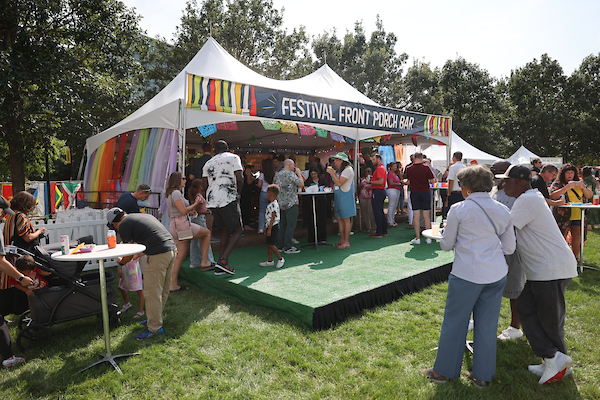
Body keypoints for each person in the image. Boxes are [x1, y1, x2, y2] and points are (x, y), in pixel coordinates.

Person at [421, 165, 515, 388]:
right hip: (496, 273)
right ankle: (482, 375)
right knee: (487, 325)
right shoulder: (503, 210)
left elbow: (446, 245)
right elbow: (509, 248)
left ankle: (442, 372)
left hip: (467, 274)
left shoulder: (459, 209)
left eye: (462, 184)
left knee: (455, 322)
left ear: (468, 187)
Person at [499, 165, 578, 384]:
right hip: (543, 270)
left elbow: (506, 229)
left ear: (516, 182)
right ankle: (553, 361)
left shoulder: (526, 201)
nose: (502, 184)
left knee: (550, 320)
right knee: (526, 308)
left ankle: (554, 360)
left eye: (505, 180)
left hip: (551, 269)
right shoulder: (530, 198)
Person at [107, 207, 177, 340]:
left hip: (158, 255)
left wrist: (122, 262)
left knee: (152, 292)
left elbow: (128, 252)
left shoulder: (124, 225)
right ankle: (154, 319)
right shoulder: (140, 216)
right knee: (163, 290)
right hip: (171, 250)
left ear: (115, 223)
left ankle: (154, 327)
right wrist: (138, 254)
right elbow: (153, 238)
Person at [489, 160, 526, 341]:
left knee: (515, 287)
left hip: (514, 245)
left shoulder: (517, 194)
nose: (496, 177)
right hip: (495, 246)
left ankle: (515, 327)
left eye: (500, 173)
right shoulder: (496, 191)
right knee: (488, 284)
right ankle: (482, 318)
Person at [1, 191, 46, 316]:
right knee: (22, 279)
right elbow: (27, 237)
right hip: (20, 255)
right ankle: (23, 310)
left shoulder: (10, 215)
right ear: (27, 205)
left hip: (10, 253)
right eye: (32, 204)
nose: (33, 207)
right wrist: (39, 231)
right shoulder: (21, 216)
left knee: (11, 282)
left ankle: (8, 311)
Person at [0, 196, 33, 368]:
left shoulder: (8, 220)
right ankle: (8, 358)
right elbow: (1, 262)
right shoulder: (19, 217)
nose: (3, 216)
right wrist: (21, 278)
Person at [166, 171, 213, 290]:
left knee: (179, 256)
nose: (185, 180)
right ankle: (204, 262)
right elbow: (183, 211)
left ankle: (173, 284)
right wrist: (195, 204)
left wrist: (189, 211)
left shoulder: (170, 194)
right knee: (207, 233)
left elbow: (171, 212)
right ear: (177, 180)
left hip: (175, 225)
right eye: (183, 178)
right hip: (182, 226)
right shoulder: (176, 193)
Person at [203, 140, 243, 274]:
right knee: (238, 230)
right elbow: (240, 177)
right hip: (227, 198)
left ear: (215, 150)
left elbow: (204, 184)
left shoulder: (208, 163)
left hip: (212, 200)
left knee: (225, 229)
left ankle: (220, 264)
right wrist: (238, 193)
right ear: (228, 149)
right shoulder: (233, 157)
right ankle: (223, 261)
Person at [549, 164, 593, 261]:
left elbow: (589, 195)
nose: (570, 175)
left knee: (577, 237)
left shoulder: (580, 183)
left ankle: (575, 258)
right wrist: (566, 188)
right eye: (567, 173)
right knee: (561, 236)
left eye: (572, 173)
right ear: (563, 174)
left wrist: (583, 187)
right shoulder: (558, 184)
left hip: (578, 214)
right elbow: (552, 196)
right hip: (563, 215)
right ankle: (559, 258)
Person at [274, 159, 305, 253]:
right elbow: (301, 184)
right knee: (291, 225)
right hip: (291, 202)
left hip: (280, 202)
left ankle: (281, 245)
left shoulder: (277, 175)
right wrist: (299, 173)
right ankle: (288, 246)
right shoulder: (291, 174)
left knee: (282, 225)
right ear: (290, 165)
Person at [404, 152, 436, 244]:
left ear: (414, 158)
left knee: (416, 216)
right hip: (425, 192)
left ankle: (417, 238)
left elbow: (408, 180)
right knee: (426, 216)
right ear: (422, 158)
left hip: (415, 192)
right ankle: (428, 238)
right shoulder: (426, 168)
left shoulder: (409, 168)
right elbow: (432, 181)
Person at [327, 153, 356, 249]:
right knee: (339, 218)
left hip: (345, 197)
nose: (334, 161)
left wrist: (332, 174)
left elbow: (339, 183)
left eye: (336, 159)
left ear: (342, 161)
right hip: (339, 196)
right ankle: (342, 240)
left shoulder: (348, 170)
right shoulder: (342, 170)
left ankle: (346, 242)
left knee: (346, 219)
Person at [187, 179, 215, 270]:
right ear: (200, 186)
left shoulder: (194, 195)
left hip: (194, 219)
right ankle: (209, 260)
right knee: (205, 240)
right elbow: (198, 209)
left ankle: (194, 261)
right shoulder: (199, 196)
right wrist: (208, 212)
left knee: (194, 241)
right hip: (199, 219)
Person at [259, 184, 285, 269]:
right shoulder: (271, 204)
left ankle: (280, 258)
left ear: (270, 194)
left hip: (273, 226)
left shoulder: (273, 204)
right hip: (269, 226)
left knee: (271, 244)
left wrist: (269, 229)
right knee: (268, 243)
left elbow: (273, 217)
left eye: (267, 193)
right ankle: (270, 260)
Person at [303, 168, 328, 243]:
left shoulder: (322, 180)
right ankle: (312, 238)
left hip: (321, 202)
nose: (313, 175)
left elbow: (327, 187)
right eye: (312, 174)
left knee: (322, 219)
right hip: (310, 202)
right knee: (311, 220)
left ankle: (322, 238)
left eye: (315, 173)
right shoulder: (308, 181)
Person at [117, 254, 145, 319]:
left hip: (133, 270)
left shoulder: (135, 245)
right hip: (125, 268)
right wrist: (120, 268)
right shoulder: (123, 244)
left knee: (139, 290)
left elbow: (134, 256)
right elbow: (121, 256)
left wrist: (120, 260)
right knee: (121, 287)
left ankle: (141, 311)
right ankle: (126, 304)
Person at [369, 153, 387, 238]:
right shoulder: (381, 168)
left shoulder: (379, 168)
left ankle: (379, 231)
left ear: (378, 159)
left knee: (377, 212)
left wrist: (370, 182)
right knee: (380, 211)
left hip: (378, 191)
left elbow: (380, 181)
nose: (372, 161)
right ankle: (383, 230)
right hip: (380, 191)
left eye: (373, 159)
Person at [257, 158, 276, 234]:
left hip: (264, 192)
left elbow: (259, 185)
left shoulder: (262, 173)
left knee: (262, 211)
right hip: (273, 193)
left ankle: (261, 228)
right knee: (273, 211)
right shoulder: (276, 173)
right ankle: (272, 228)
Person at [359, 167, 376, 233]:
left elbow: (376, 186)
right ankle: (368, 227)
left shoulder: (373, 179)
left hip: (370, 197)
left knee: (371, 212)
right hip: (362, 196)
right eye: (366, 171)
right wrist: (360, 185)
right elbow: (359, 187)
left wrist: (370, 187)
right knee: (364, 212)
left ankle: (374, 227)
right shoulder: (362, 179)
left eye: (369, 171)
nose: (367, 172)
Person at [386, 162, 402, 227]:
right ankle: (389, 221)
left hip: (397, 190)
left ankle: (392, 220)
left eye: (396, 166)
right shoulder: (390, 174)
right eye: (394, 166)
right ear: (391, 167)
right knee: (391, 206)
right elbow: (391, 183)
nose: (395, 168)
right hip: (392, 190)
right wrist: (399, 184)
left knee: (394, 206)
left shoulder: (395, 174)